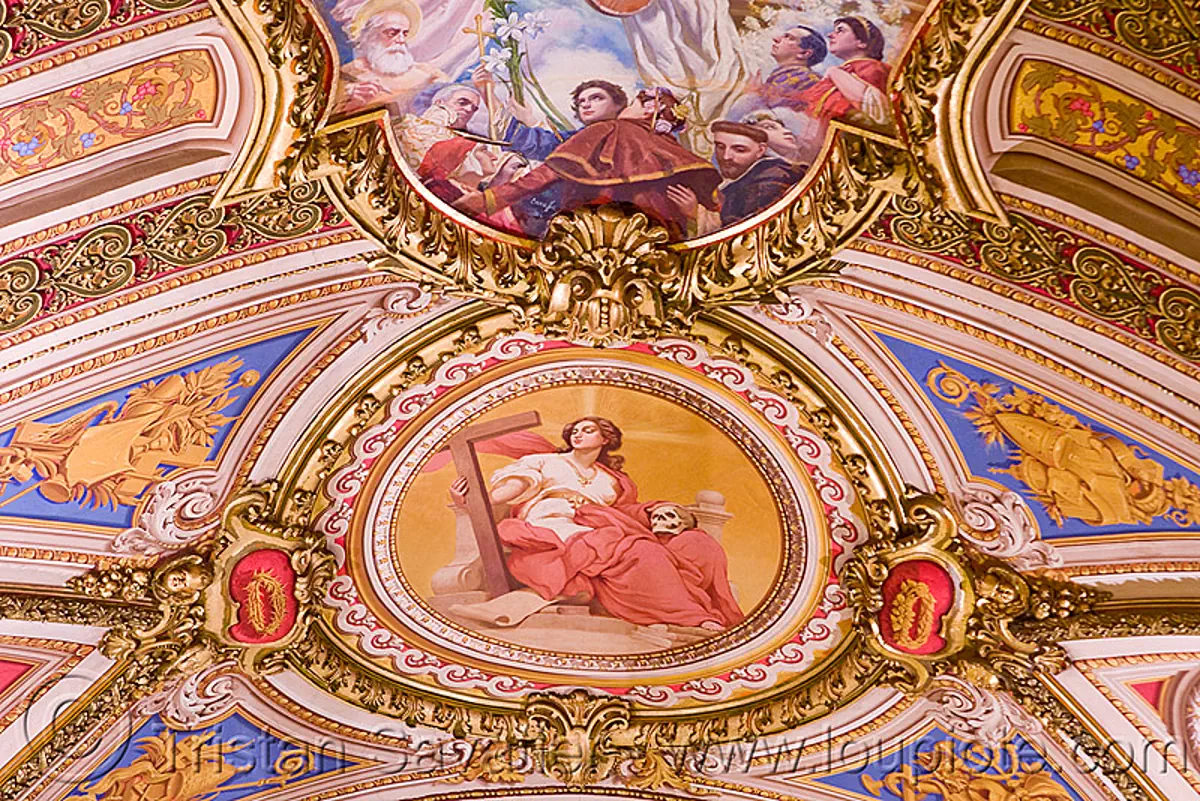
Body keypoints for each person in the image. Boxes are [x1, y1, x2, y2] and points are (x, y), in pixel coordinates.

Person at [448, 416, 744, 630]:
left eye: (587, 430)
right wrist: (475, 499)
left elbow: (627, 512)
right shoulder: (546, 462)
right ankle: (689, 614)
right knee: (628, 546)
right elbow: (508, 492)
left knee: (646, 551)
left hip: (597, 530)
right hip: (551, 521)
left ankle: (682, 612)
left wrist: (662, 510)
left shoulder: (612, 481)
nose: (578, 435)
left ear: (605, 439)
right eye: (574, 430)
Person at [453, 86, 721, 240]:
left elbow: (547, 173)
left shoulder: (609, 129)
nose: (587, 105)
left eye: (596, 98)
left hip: (586, 234)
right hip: (657, 242)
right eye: (581, 101)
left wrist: (488, 200)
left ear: (651, 109)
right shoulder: (672, 151)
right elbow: (714, 205)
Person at [667, 120, 802, 233]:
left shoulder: (771, 180)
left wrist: (695, 213)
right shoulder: (733, 182)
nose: (726, 157)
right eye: (720, 147)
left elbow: (745, 233)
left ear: (761, 150)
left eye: (739, 150)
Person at [336, 0, 447, 114]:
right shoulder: (347, 75)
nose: (401, 40)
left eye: (404, 34)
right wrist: (347, 101)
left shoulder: (428, 74)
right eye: (392, 33)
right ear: (369, 36)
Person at [798, 17, 892, 129]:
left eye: (840, 30)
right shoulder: (843, 72)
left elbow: (880, 112)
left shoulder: (874, 69)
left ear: (862, 43)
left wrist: (834, 73)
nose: (830, 35)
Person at [745, 25, 827, 112]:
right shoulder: (780, 76)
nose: (776, 39)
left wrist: (755, 94)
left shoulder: (810, 81)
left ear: (804, 53)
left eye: (790, 38)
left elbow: (784, 116)